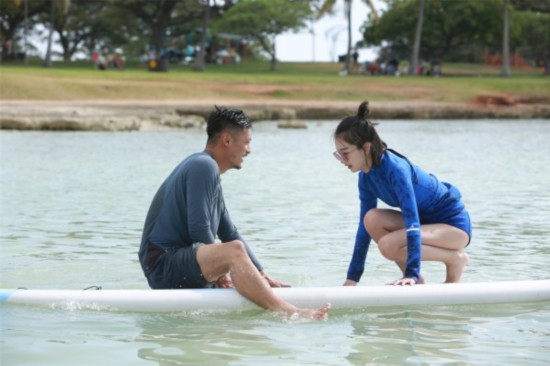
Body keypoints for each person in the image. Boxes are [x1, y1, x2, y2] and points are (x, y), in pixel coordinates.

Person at [138, 105, 330, 319]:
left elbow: (229, 232)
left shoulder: (209, 172)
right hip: (163, 265)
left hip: (179, 263)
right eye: (247, 142)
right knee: (233, 251)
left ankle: (267, 298)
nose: (249, 150)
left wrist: (261, 273)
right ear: (227, 140)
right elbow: (199, 229)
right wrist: (220, 272)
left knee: (233, 249)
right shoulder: (203, 166)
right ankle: (289, 312)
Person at [333, 101, 471, 286]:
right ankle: (418, 279)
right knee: (371, 219)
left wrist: (411, 274)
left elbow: (412, 222)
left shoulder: (396, 170)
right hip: (424, 224)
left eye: (345, 153)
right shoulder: (366, 178)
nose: (342, 160)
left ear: (366, 148)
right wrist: (352, 278)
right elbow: (363, 230)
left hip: (453, 227)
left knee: (388, 246)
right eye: (338, 154)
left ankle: (454, 259)